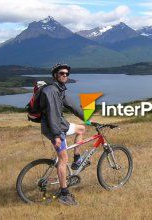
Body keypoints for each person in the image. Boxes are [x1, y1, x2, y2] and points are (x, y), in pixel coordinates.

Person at [40, 63, 89, 205]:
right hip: (54, 128)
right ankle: (64, 194)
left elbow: (73, 106)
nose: (65, 76)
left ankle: (77, 159)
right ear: (55, 75)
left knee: (81, 129)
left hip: (61, 125)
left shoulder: (60, 90)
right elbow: (52, 115)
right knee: (62, 160)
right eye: (62, 73)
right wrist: (56, 136)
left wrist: (87, 119)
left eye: (67, 74)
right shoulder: (51, 91)